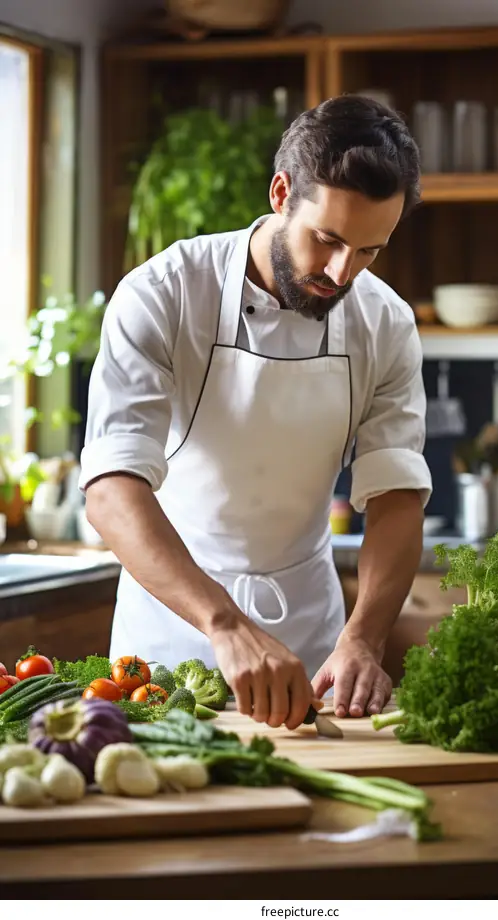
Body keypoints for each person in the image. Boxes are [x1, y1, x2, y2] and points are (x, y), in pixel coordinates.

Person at [80, 93, 432, 731]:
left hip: (313, 644)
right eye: (326, 239)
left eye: (369, 250)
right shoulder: (163, 294)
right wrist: (222, 623)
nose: (341, 270)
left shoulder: (385, 322)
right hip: (167, 642)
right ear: (280, 193)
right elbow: (110, 489)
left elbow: (397, 497)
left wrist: (365, 638)